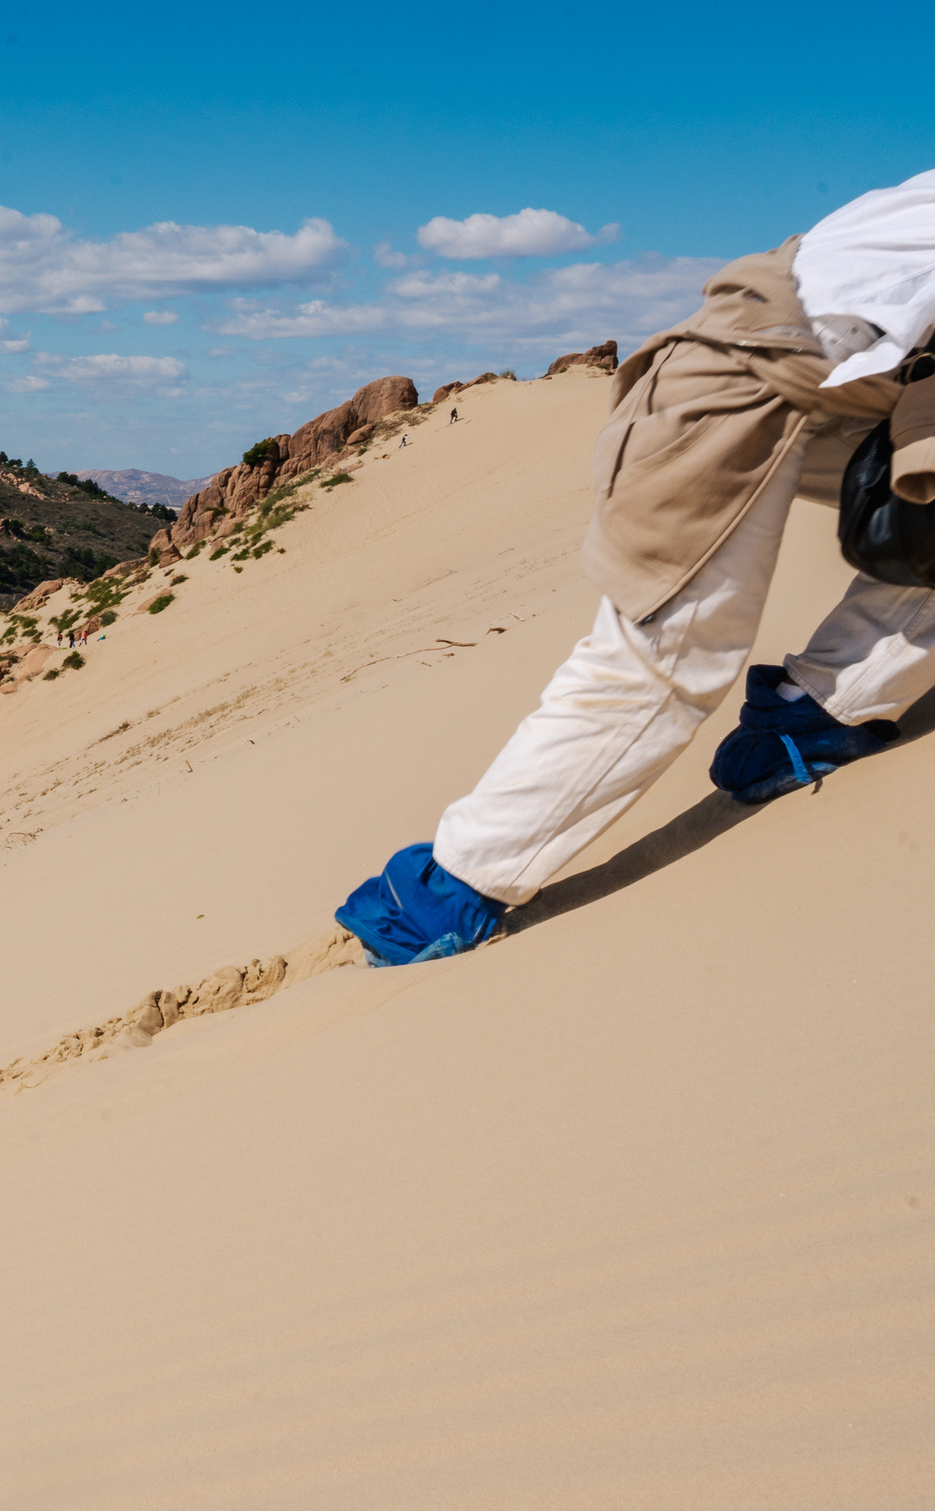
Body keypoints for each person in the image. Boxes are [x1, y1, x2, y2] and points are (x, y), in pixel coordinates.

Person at [336, 171, 935, 965]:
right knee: (667, 662)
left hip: (808, 385)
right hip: (740, 390)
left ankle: (820, 711)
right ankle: (449, 887)